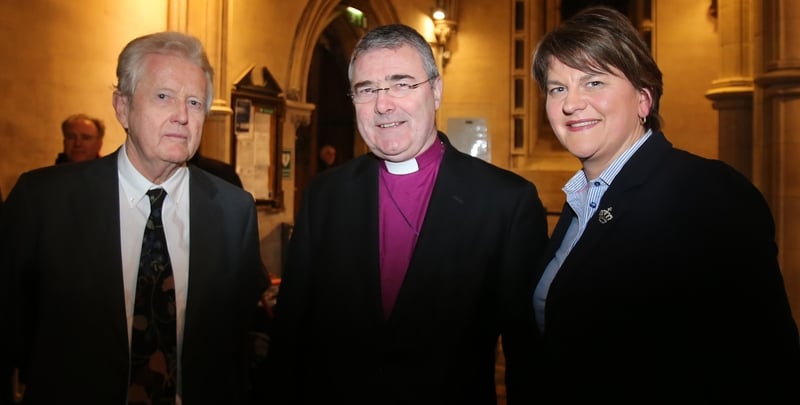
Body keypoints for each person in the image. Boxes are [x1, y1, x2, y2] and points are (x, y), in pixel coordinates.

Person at [267, 24, 549, 404]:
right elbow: (290, 335)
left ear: (435, 91)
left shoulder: (506, 203)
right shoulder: (326, 194)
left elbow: (528, 358)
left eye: (401, 84)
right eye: (367, 89)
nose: (383, 105)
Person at [530, 6, 800, 402]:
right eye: (557, 88)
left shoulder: (707, 193)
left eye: (594, 82)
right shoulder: (581, 201)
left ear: (643, 99)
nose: (571, 103)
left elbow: (765, 363)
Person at [1, 31, 268, 404]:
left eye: (194, 102)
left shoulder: (233, 210)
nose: (181, 116)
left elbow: (231, 343)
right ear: (122, 107)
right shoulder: (43, 201)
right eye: (163, 96)